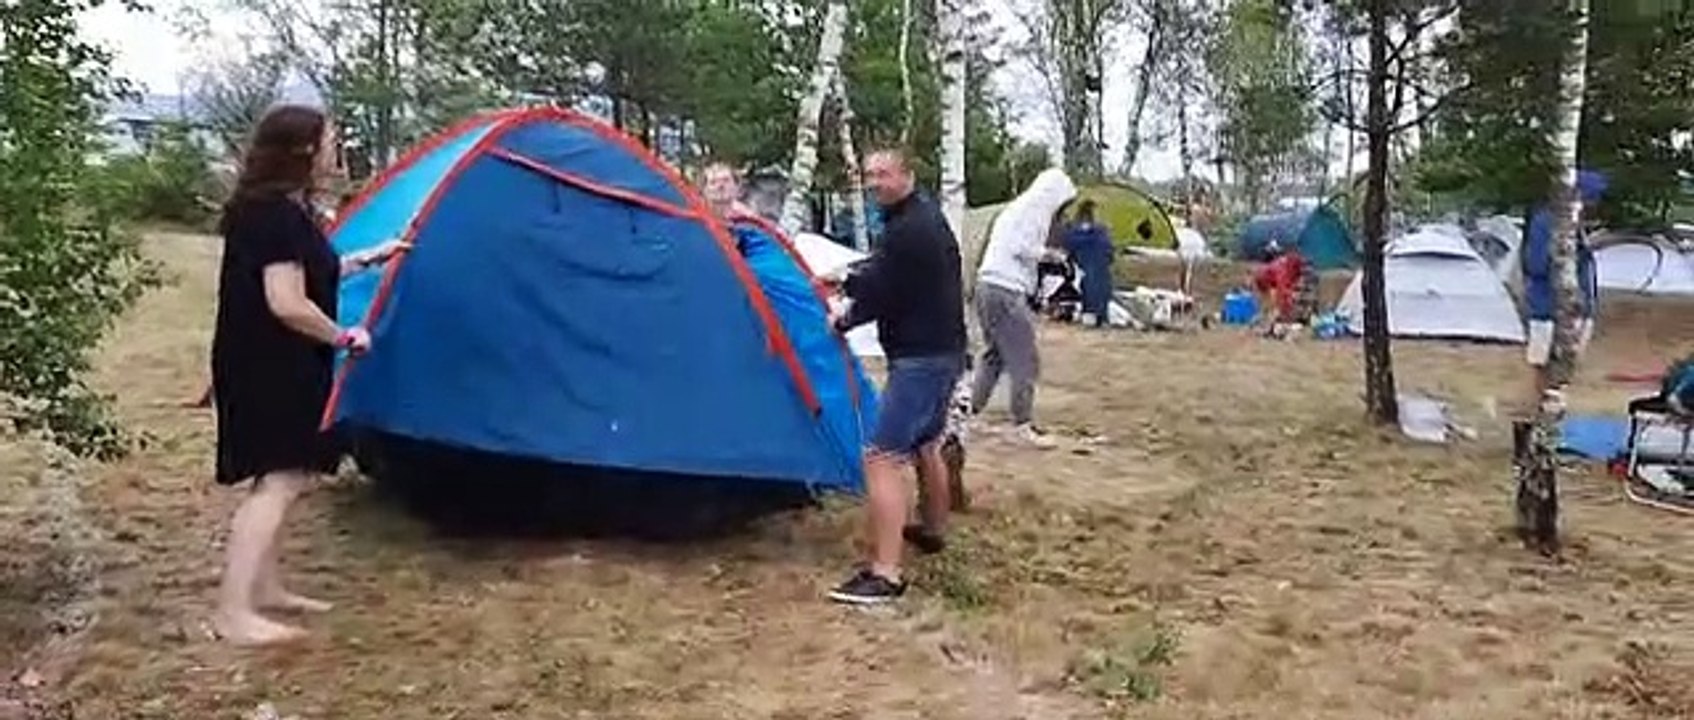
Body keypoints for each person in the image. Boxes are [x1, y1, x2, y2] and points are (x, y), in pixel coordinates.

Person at [209, 104, 407, 646]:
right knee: (280, 480)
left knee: (278, 478)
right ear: (302, 150)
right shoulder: (274, 215)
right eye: (329, 141)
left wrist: (368, 258)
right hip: (272, 365)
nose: (334, 150)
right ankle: (233, 614)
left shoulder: (277, 211)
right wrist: (345, 337)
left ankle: (265, 590)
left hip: (270, 360)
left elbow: (307, 271)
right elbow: (288, 303)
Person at [826, 148, 966, 605]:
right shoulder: (923, 218)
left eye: (884, 174)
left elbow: (879, 289)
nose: (875, 182)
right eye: (869, 175)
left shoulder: (908, 229)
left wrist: (842, 315)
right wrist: (854, 284)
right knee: (926, 443)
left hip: (921, 360)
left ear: (907, 174)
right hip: (945, 352)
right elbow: (891, 278)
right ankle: (933, 530)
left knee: (881, 457)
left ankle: (885, 575)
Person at [969, 168, 1078, 448]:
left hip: (987, 285)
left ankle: (969, 412)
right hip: (1005, 288)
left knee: (994, 355)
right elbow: (1021, 247)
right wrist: (1050, 255)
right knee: (1024, 358)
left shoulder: (1015, 209)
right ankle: (1022, 425)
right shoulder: (1032, 212)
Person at [1521, 170, 1607, 409]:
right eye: (1591, 197)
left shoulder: (1581, 228)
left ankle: (1553, 411)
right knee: (1543, 363)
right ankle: (1541, 412)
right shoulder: (1544, 222)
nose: (1594, 204)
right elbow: (1535, 265)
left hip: (1579, 310)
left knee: (1567, 365)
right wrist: (1566, 255)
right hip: (1546, 308)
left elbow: (1586, 271)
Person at [1061, 200, 1115, 327]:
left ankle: (1091, 315)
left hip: (1085, 272)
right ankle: (1101, 316)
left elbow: (1068, 248)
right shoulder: (1101, 233)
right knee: (1099, 287)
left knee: (1089, 286)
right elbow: (1110, 254)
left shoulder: (1073, 232)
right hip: (1099, 272)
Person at [1252, 240, 1307, 327]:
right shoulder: (1283, 268)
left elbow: (1289, 284)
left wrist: (1290, 294)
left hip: (1264, 278)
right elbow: (1282, 288)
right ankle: (1267, 326)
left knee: (1267, 305)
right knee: (1275, 304)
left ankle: (1258, 323)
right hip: (1263, 280)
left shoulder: (1289, 265)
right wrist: (1289, 297)